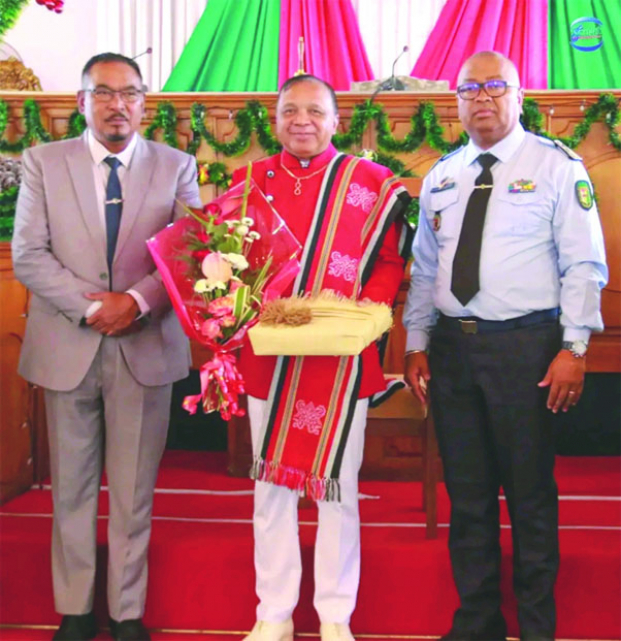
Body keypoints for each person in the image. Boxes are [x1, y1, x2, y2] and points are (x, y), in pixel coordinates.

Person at [403, 51, 608, 641]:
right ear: (456, 102)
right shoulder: (441, 175)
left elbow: (584, 263)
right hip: (453, 352)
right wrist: (417, 343)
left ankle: (538, 628)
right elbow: (424, 270)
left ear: (520, 96)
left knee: (529, 495)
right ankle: (478, 624)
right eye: (470, 88)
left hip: (528, 349)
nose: (483, 97)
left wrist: (574, 347)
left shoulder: (555, 165)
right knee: (467, 496)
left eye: (496, 86)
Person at [11, 52, 201, 641]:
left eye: (130, 93)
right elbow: (28, 255)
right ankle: (75, 608)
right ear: (82, 101)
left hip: (144, 347)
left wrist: (137, 303)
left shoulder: (176, 165)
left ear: (144, 103)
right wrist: (96, 306)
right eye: (105, 93)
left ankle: (126, 612)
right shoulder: (43, 162)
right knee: (70, 486)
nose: (118, 104)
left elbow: (192, 249)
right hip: (68, 344)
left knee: (133, 490)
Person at [231, 75, 411, 641]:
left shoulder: (371, 184)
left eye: (315, 110)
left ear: (337, 121)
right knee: (272, 490)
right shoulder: (247, 185)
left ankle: (336, 614)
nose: (301, 120)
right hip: (270, 361)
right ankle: (274, 613)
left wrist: (360, 316)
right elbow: (222, 261)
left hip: (339, 362)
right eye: (290, 110)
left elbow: (389, 264)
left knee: (338, 490)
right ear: (275, 118)